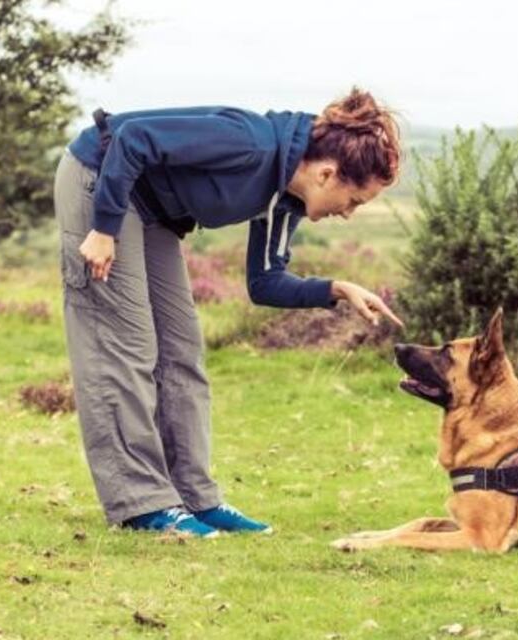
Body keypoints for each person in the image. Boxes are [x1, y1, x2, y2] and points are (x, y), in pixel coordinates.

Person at [53, 87, 404, 537]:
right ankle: (141, 503)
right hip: (102, 181)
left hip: (154, 210)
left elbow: (265, 282)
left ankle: (194, 497)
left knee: (181, 350)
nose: (350, 214)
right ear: (327, 174)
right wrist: (103, 228)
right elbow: (134, 138)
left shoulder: (285, 200)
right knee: (126, 345)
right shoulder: (249, 141)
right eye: (354, 200)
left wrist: (335, 289)